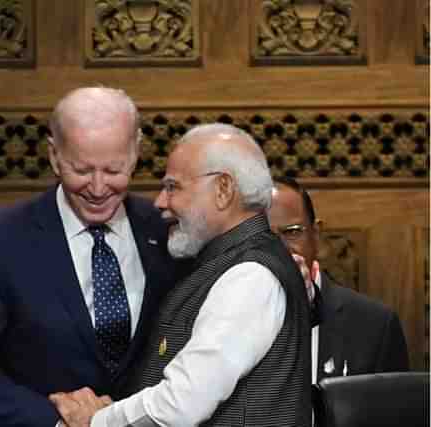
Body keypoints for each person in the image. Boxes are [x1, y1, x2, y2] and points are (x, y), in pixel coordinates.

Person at [0, 87, 181, 426]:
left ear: (136, 152)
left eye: (113, 170)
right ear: (54, 156)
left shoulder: (166, 230)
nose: (97, 186)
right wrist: (56, 420)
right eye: (82, 169)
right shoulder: (3, 239)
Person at [50, 123, 312, 427]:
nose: (160, 201)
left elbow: (181, 405)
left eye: (173, 187)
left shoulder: (249, 276)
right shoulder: (226, 263)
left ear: (223, 189)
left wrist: (95, 421)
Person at [268, 176, 409, 383]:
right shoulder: (221, 319)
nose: (279, 249)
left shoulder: (376, 326)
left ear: (315, 235)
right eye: (263, 236)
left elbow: (393, 414)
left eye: (292, 232)